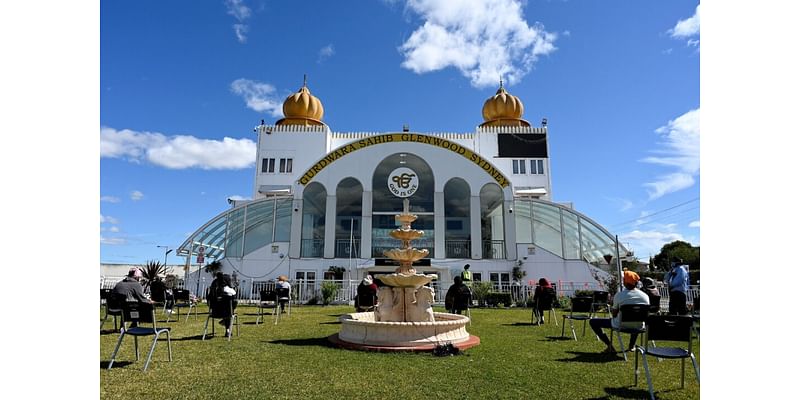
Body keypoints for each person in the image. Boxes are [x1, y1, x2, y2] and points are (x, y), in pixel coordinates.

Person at [589, 270, 650, 354]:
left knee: (593, 322)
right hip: (639, 325)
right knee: (635, 318)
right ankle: (631, 346)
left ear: (624, 282)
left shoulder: (619, 295)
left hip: (620, 324)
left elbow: (614, 314)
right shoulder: (645, 296)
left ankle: (610, 346)